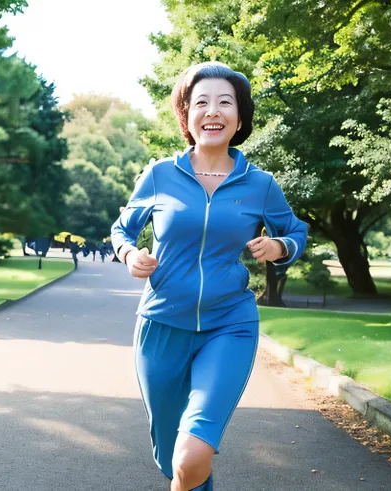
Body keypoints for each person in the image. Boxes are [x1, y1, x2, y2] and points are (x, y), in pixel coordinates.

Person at [111, 61, 308, 491]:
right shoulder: (160, 174)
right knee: (174, 461)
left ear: (239, 118)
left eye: (225, 102)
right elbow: (122, 229)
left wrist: (278, 247)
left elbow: (295, 231)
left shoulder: (260, 184)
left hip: (229, 325)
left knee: (193, 453)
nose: (213, 110)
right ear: (186, 115)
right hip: (161, 325)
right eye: (201, 102)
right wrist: (129, 254)